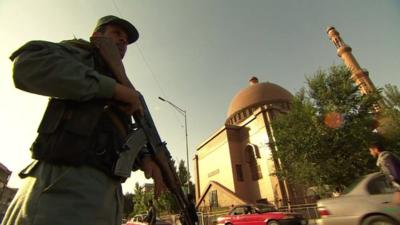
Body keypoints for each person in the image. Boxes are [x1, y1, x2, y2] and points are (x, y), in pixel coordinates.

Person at [2, 15, 167, 225]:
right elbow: (28, 64)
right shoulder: (83, 54)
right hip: (62, 186)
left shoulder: (120, 81)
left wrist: (144, 156)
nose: (123, 41)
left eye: (126, 39)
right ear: (97, 35)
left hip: (108, 195)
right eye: (117, 33)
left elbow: (114, 133)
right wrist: (113, 89)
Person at [369, 134, 400, 204]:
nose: (370, 153)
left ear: (376, 149)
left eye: (371, 151)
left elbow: (396, 173)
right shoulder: (384, 158)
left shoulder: (385, 158)